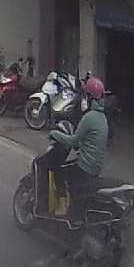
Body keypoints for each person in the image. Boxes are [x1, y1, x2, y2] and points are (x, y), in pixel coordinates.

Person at [48, 76, 109, 227]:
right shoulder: (102, 118)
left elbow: (72, 141)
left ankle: (63, 207)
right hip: (95, 167)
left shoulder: (89, 117)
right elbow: (85, 141)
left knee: (59, 171)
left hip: (85, 167)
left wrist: (54, 134)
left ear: (89, 97)